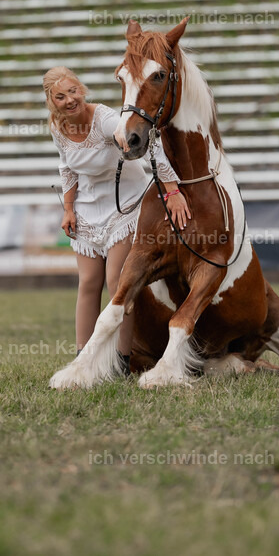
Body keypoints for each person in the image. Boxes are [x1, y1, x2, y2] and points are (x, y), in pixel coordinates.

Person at [44, 66, 190, 370]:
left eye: (73, 91)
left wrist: (172, 188)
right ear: (52, 102)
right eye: (61, 96)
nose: (70, 100)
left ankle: (122, 359)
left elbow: (149, 144)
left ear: (82, 89)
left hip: (124, 202)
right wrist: (68, 209)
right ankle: (83, 358)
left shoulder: (106, 119)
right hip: (87, 207)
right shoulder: (58, 128)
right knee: (88, 282)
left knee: (116, 281)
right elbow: (66, 168)